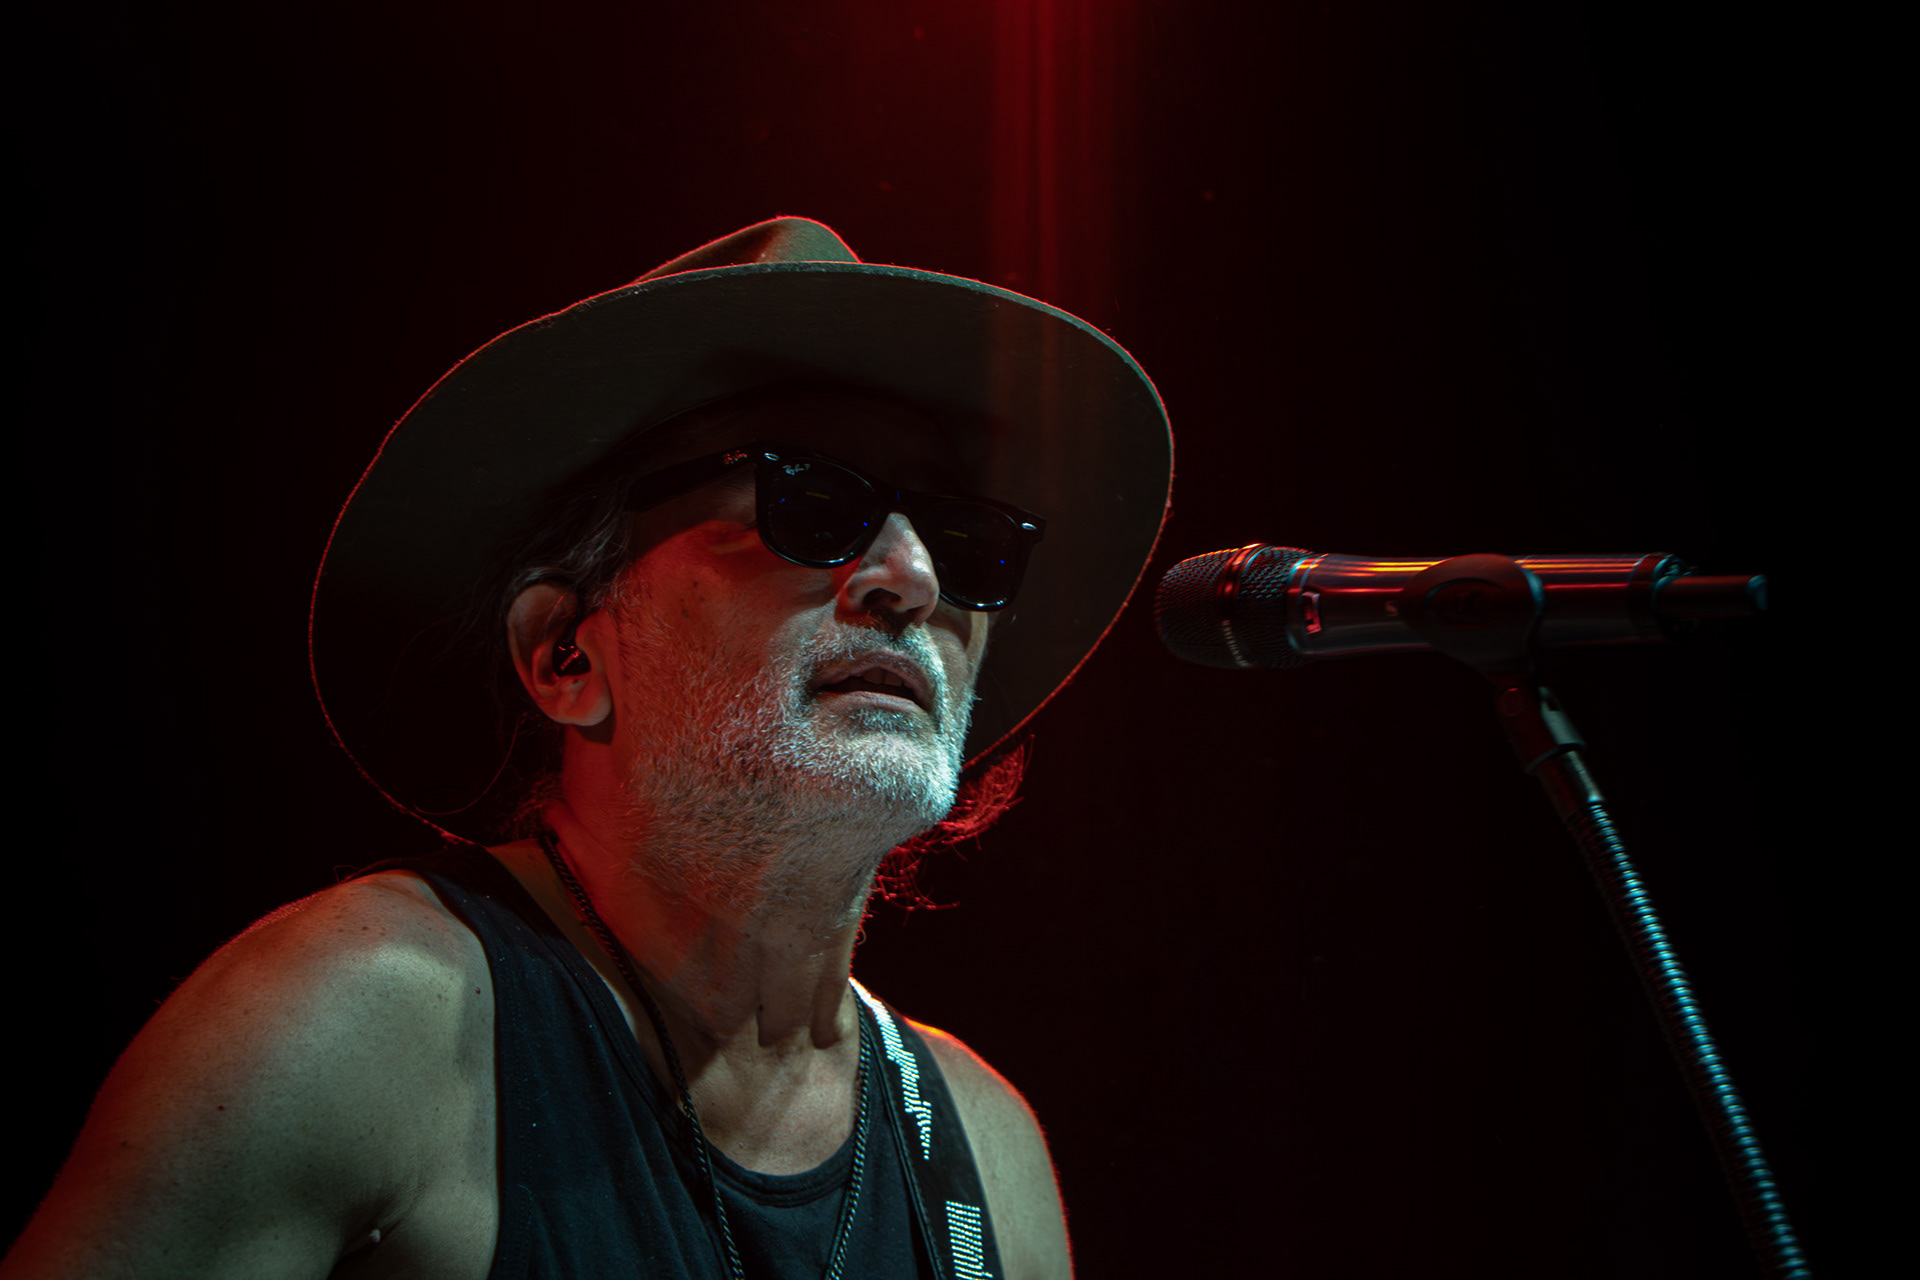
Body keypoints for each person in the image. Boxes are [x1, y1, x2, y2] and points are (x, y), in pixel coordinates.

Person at [4, 218, 1171, 1279]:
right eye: (811, 501)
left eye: (964, 538)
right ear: (566, 652)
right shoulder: (359, 1023)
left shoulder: (988, 1155)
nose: (911, 577)